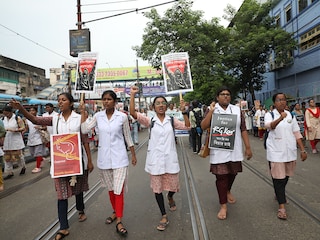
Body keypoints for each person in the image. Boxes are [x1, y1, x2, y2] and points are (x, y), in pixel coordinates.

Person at [10, 92, 94, 240]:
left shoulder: (78, 117)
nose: (60, 102)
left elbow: (85, 138)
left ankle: (80, 209)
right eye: (58, 100)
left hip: (77, 160)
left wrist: (90, 161)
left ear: (70, 103)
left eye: (63, 100)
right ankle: (64, 227)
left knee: (78, 188)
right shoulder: (54, 119)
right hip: (60, 162)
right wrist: (21, 108)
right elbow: (35, 119)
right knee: (61, 194)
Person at [129, 86, 190, 231]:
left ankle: (170, 197)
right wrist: (132, 95)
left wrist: (184, 112)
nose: (161, 105)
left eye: (163, 103)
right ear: (153, 107)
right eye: (158, 103)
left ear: (167, 106)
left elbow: (188, 127)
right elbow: (133, 113)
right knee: (157, 189)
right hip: (155, 160)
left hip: (170, 159)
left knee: (173, 186)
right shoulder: (151, 121)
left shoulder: (171, 120)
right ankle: (163, 214)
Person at [80, 90, 137, 237]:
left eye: (109, 99)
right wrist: (82, 111)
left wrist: (133, 155)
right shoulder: (98, 117)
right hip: (104, 159)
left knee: (118, 189)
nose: (106, 102)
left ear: (114, 101)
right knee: (111, 189)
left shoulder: (122, 117)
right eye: (104, 99)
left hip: (120, 159)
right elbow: (84, 129)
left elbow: (127, 136)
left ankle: (119, 220)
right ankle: (115, 212)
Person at [201, 86, 253, 220]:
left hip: (234, 149)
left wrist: (248, 147)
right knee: (221, 177)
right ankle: (223, 205)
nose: (226, 96)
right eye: (223, 94)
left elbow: (243, 129)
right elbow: (203, 126)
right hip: (218, 149)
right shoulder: (211, 109)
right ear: (217, 97)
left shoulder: (236, 110)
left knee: (233, 173)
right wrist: (211, 112)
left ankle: (228, 190)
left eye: (228, 94)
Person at [264, 93, 307, 220]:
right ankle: (281, 207)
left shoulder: (290, 115)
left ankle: (279, 194)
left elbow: (296, 132)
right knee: (278, 179)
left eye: (284, 100)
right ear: (274, 103)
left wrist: (303, 150)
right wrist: (279, 119)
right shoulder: (269, 114)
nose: (282, 102)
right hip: (276, 152)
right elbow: (269, 126)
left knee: (286, 177)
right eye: (279, 100)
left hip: (290, 152)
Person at [2, 105, 26, 179]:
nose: (6, 115)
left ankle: (23, 167)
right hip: (6, 141)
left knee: (19, 156)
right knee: (7, 158)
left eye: (7, 113)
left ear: (11, 112)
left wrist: (15, 130)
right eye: (4, 114)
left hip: (15, 140)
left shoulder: (17, 118)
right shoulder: (3, 119)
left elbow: (23, 127)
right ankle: (10, 172)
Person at [25, 106, 45, 173]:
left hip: (38, 138)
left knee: (38, 153)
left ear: (36, 111)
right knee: (32, 153)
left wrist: (39, 128)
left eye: (33, 110)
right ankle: (41, 159)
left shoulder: (40, 118)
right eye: (30, 111)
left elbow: (45, 127)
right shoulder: (27, 119)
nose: (31, 112)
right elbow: (27, 128)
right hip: (31, 138)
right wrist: (23, 132)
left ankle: (38, 167)